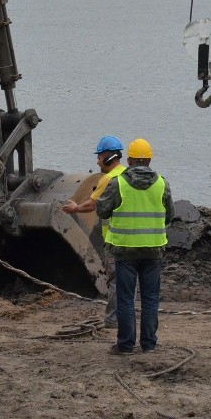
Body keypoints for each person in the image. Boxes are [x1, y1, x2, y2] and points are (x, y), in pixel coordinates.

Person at [96, 138, 174, 355]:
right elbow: (170, 215)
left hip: (125, 251)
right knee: (150, 298)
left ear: (129, 160)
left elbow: (102, 210)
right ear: (149, 159)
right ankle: (149, 344)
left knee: (126, 298)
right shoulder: (162, 183)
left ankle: (126, 345)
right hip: (153, 250)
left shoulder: (118, 183)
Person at [61, 135, 126, 328]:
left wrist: (75, 208)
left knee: (114, 281)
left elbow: (92, 204)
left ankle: (113, 320)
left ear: (108, 158)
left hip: (115, 239)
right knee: (128, 282)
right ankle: (125, 316)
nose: (97, 161)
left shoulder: (109, 179)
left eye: (99, 157)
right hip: (131, 240)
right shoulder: (126, 175)